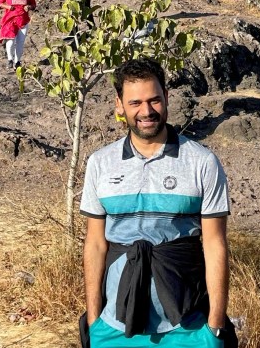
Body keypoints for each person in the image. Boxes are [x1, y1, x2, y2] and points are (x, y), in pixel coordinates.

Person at [80, 58, 235, 348]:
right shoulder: (100, 163)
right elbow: (95, 244)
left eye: (154, 100)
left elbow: (215, 244)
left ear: (167, 97)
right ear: (119, 105)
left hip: (188, 326)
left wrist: (214, 326)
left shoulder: (202, 162)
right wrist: (93, 322)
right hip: (114, 325)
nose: (146, 111)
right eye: (135, 102)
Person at [0, 0, 37, 69]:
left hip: (23, 20)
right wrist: (8, 7)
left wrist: (29, 6)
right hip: (10, 19)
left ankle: (17, 62)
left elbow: (34, 4)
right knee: (10, 40)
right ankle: (10, 59)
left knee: (20, 42)